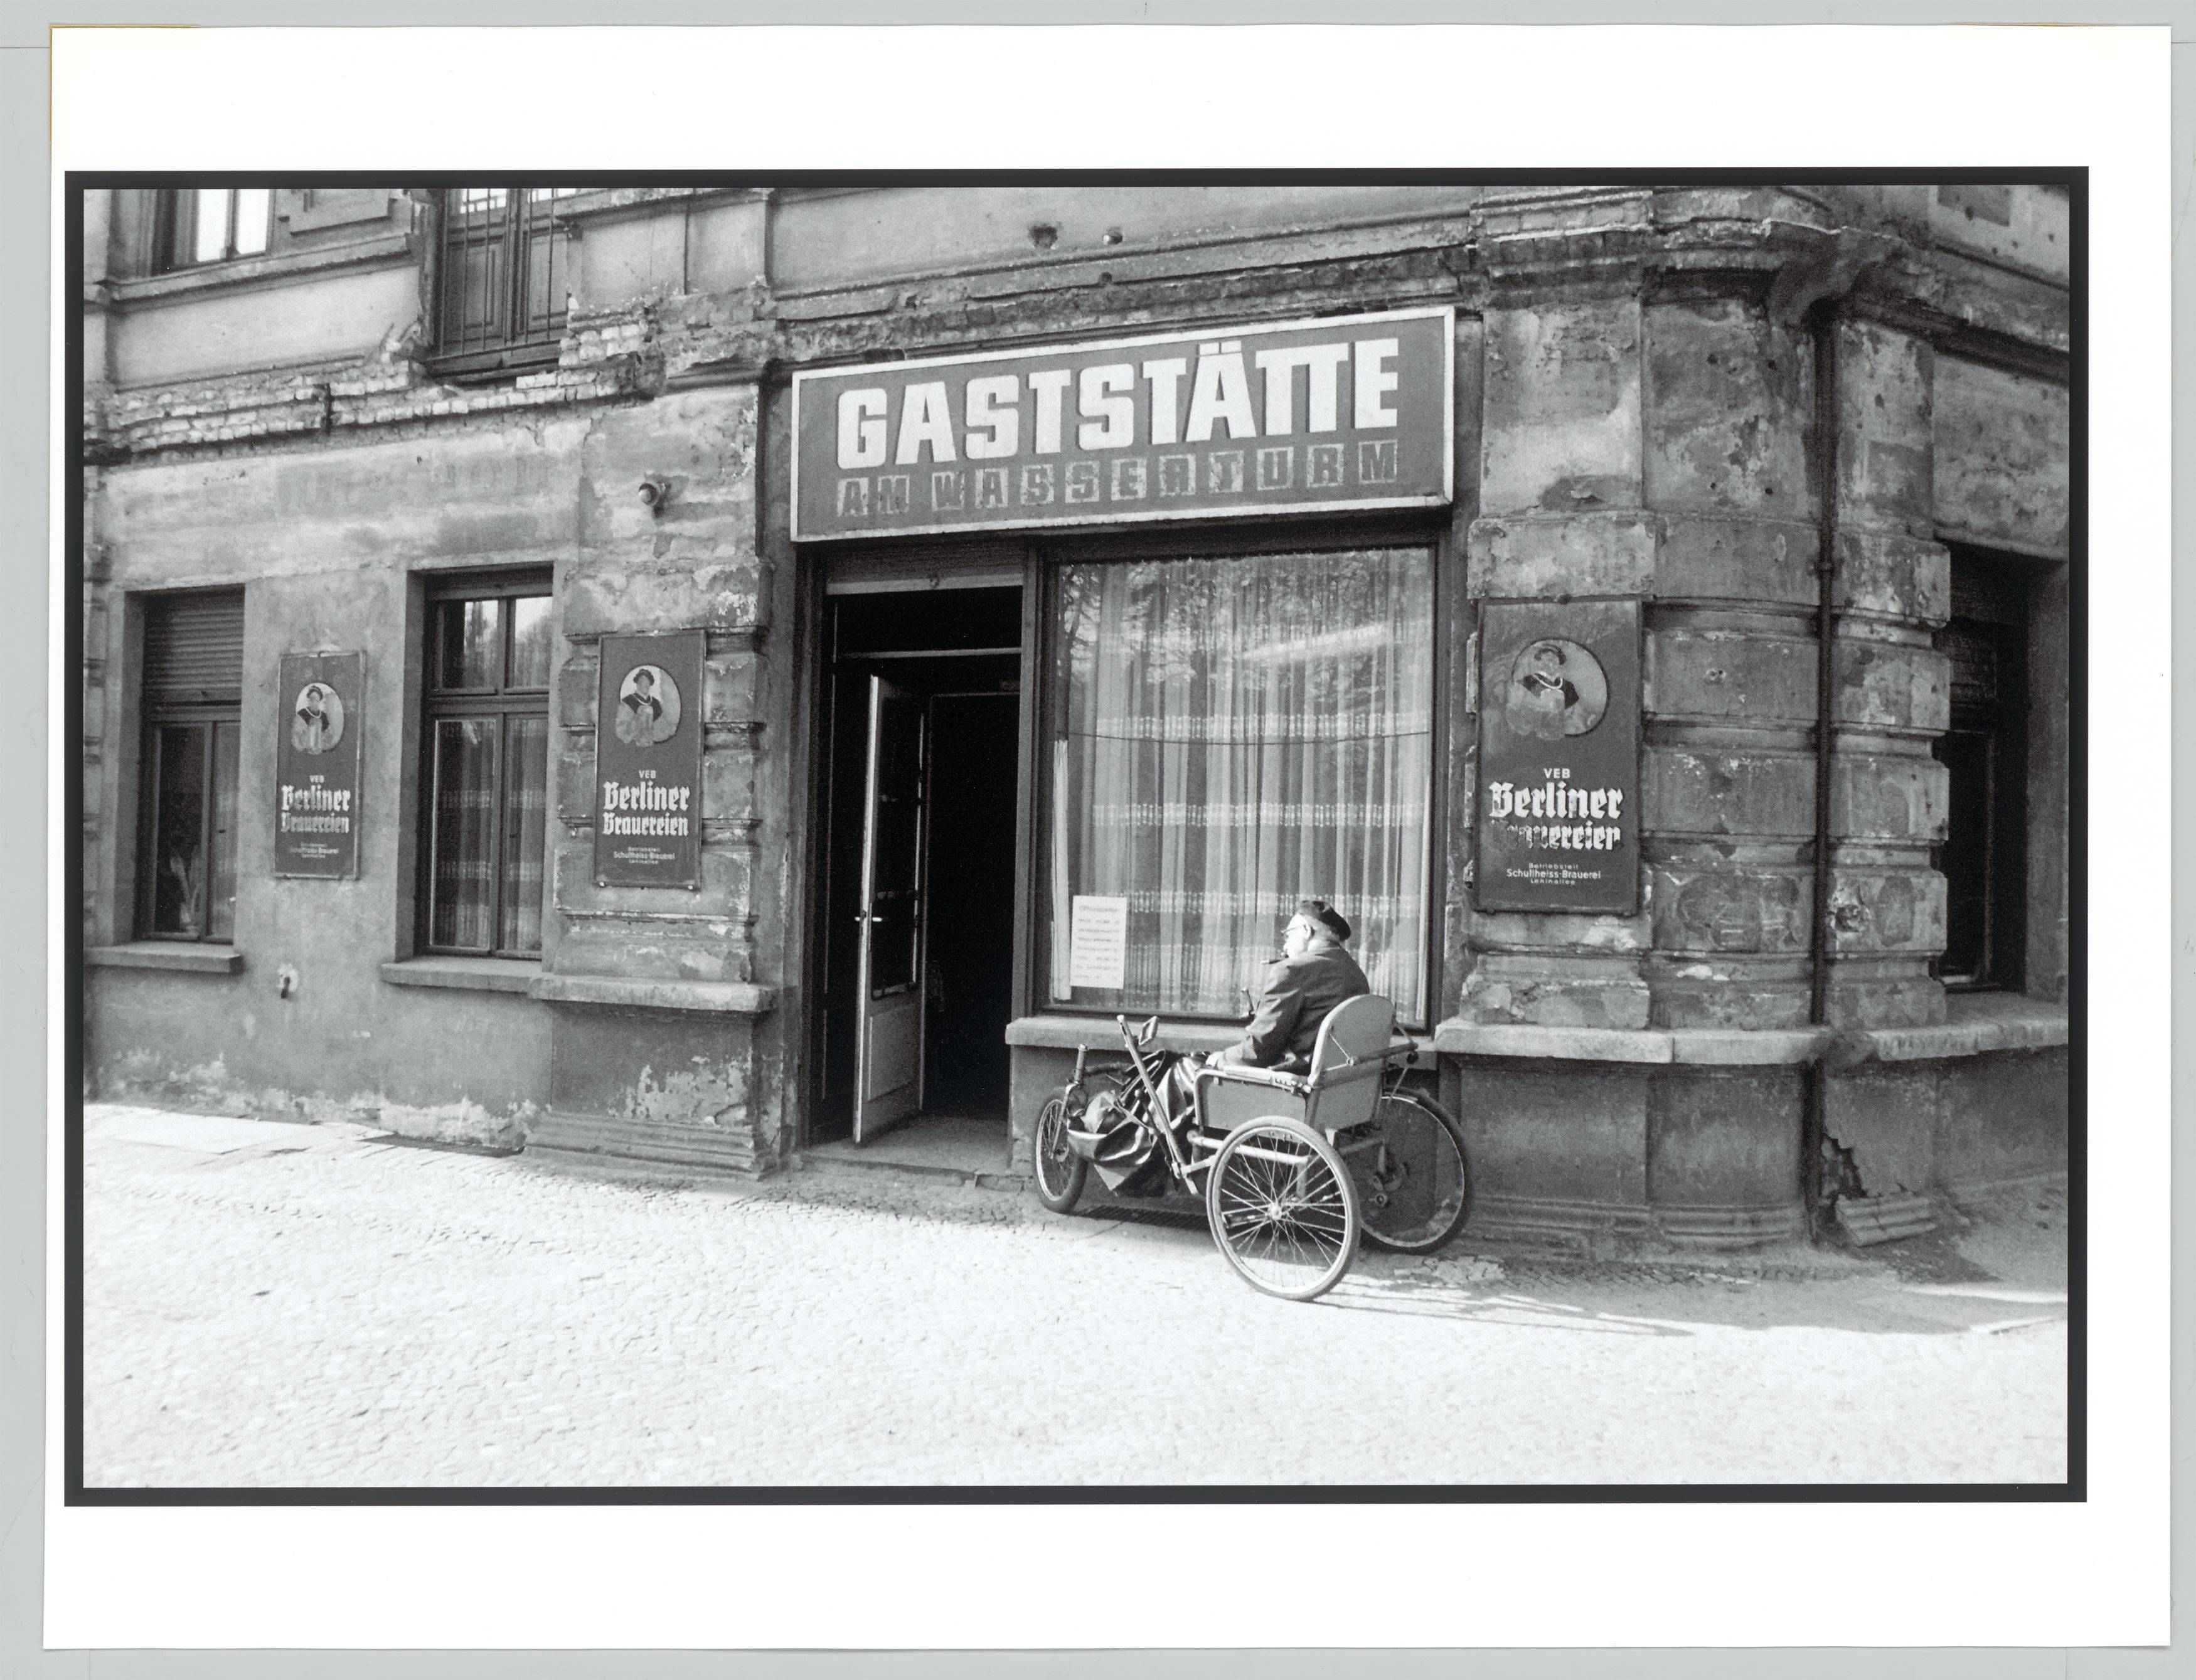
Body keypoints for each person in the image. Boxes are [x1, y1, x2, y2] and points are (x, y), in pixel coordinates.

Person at [1161, 900, 1370, 1122]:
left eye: (1288, 935)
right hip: (1336, 1088)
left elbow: (1259, 1048)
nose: (1285, 947)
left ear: (1306, 931)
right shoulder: (1355, 974)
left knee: (1182, 1069)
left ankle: (1143, 1151)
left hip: (1289, 1087)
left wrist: (1221, 1059)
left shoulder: (1293, 970)